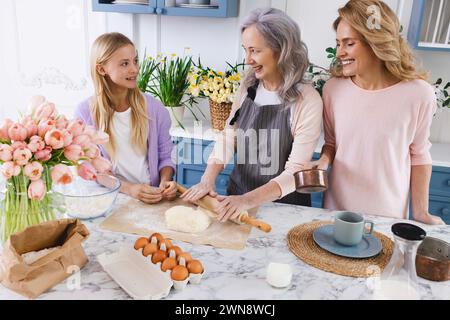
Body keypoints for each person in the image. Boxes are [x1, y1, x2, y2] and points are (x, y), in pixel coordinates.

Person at [182, 8, 323, 222]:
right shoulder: (248, 86)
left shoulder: (307, 100)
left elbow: (295, 172)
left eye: (255, 51)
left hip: (283, 208)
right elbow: (230, 136)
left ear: (281, 50)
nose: (248, 59)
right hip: (237, 197)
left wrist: (247, 200)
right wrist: (207, 179)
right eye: (245, 50)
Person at [309, 0, 444, 224]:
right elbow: (332, 143)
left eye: (349, 43)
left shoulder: (419, 94)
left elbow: (419, 154)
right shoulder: (333, 89)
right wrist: (323, 161)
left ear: (375, 42)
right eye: (338, 43)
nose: (340, 52)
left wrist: (421, 212)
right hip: (336, 214)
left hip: (387, 218)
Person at [75, 32, 177, 204]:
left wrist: (165, 181)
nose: (135, 69)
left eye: (135, 61)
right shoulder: (85, 112)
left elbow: (166, 156)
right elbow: (91, 168)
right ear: (102, 69)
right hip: (109, 200)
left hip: (149, 198)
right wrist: (129, 189)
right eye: (124, 64)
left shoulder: (155, 109)